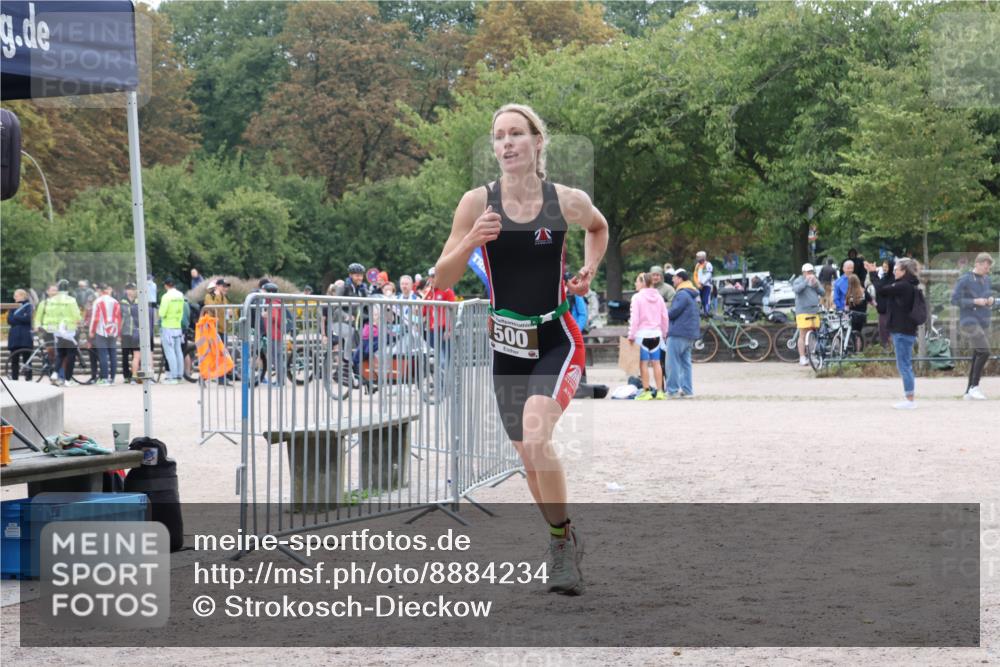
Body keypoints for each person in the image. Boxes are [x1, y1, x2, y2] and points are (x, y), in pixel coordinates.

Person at [432, 103, 608, 595]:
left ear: (536, 143)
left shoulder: (565, 200)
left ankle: (558, 549)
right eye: (498, 136)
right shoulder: (476, 203)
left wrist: (588, 271)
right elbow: (441, 279)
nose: (506, 143)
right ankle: (564, 536)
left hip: (555, 338)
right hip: (506, 348)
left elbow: (599, 227)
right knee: (528, 460)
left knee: (536, 438)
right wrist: (471, 240)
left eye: (516, 134)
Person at [867, 258, 921, 409]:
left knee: (904, 364)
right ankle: (909, 397)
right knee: (904, 363)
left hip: (902, 330)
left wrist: (872, 274)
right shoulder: (908, 284)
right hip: (905, 329)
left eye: (896, 269)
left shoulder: (903, 286)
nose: (894, 271)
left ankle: (910, 399)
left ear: (904, 272)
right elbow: (885, 288)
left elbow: (882, 290)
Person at [951, 252, 994, 400]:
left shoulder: (987, 279)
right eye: (985, 267)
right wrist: (974, 302)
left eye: (988, 268)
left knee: (977, 354)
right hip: (969, 322)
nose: (987, 270)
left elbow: (986, 296)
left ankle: (969, 391)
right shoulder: (964, 279)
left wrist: (990, 299)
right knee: (985, 351)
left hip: (983, 321)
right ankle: (975, 387)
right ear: (978, 264)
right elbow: (954, 300)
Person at [628, 272, 669, 400]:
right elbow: (664, 317)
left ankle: (646, 392)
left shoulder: (637, 298)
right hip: (656, 334)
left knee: (643, 364)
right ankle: (660, 391)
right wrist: (664, 333)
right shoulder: (659, 297)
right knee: (657, 363)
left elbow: (634, 319)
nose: (635, 283)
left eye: (637, 281)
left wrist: (631, 335)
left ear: (643, 283)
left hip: (641, 335)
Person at [39, 280, 82, 386]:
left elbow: (49, 315)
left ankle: (55, 373)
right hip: (69, 331)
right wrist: (78, 321)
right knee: (71, 356)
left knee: (60, 354)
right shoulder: (71, 300)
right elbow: (77, 316)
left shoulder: (52, 300)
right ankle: (67, 380)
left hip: (57, 331)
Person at [665, 269, 699, 397]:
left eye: (674, 278)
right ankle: (687, 390)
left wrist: (662, 314)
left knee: (672, 362)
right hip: (689, 333)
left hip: (678, 332)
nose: (672, 280)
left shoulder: (681, 294)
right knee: (686, 363)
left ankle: (672, 390)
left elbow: (673, 312)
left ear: (680, 279)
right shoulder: (691, 293)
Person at [792, 263, 825, 365]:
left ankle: (812, 356)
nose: (810, 274)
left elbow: (822, 292)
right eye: (808, 272)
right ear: (804, 272)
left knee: (813, 335)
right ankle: (802, 357)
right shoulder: (798, 280)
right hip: (803, 311)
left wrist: (815, 285)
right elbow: (797, 290)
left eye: (812, 272)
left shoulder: (815, 280)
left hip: (814, 311)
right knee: (802, 334)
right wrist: (806, 281)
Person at [89, 284, 121, 385]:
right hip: (113, 331)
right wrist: (118, 332)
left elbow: (96, 318)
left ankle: (104, 378)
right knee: (113, 355)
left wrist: (92, 331)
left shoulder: (98, 301)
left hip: (101, 330)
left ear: (100, 291)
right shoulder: (115, 301)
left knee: (103, 355)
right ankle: (112, 378)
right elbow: (118, 318)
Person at [158, 277, 186, 384]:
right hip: (177, 326)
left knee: (170, 353)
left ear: (166, 285)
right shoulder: (180, 295)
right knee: (178, 351)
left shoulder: (166, 296)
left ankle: (173, 377)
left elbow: (162, 313)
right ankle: (179, 375)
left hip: (167, 326)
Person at [7, 289, 34, 380]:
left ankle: (28, 379)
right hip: (14, 337)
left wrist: (16, 316)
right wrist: (22, 317)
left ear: (23, 296)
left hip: (26, 336)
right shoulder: (12, 306)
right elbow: (9, 320)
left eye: (16, 295)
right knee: (14, 360)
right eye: (14, 295)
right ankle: (15, 379)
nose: (14, 297)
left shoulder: (29, 306)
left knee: (27, 360)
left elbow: (28, 319)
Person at [120, 283, 142, 384]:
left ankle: (135, 374)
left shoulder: (139, 301)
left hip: (136, 332)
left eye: (133, 289)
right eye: (129, 289)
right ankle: (126, 375)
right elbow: (120, 317)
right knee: (125, 354)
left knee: (136, 354)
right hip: (125, 332)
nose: (131, 291)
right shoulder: (122, 302)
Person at [845, 273, 873, 340]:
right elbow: (872, 302)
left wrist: (846, 316)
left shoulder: (848, 293)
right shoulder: (864, 292)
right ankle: (858, 348)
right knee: (858, 333)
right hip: (862, 316)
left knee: (853, 333)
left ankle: (855, 347)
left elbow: (846, 306)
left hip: (852, 316)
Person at [692, 251, 714, 316]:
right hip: (699, 286)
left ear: (703, 257)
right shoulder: (697, 265)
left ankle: (706, 312)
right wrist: (697, 284)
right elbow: (695, 275)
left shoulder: (708, 264)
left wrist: (702, 283)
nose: (697, 258)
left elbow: (708, 275)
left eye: (698, 257)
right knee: (701, 299)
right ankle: (703, 311)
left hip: (706, 285)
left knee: (705, 299)